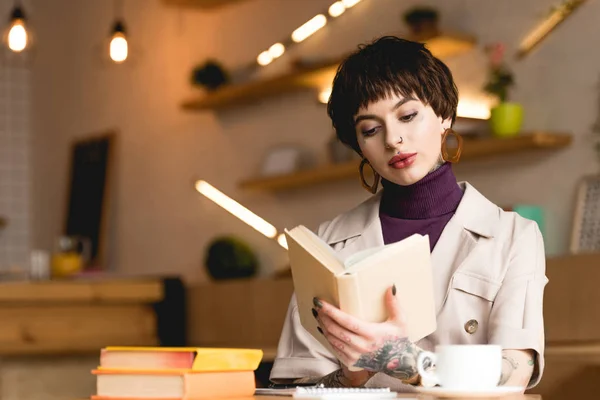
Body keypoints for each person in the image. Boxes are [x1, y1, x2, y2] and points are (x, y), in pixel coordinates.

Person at [269, 36, 548, 392]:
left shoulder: (514, 236)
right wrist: (350, 377)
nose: (393, 139)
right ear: (360, 147)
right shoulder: (329, 241)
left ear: (444, 114)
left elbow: (514, 376)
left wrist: (400, 360)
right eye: (370, 129)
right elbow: (296, 389)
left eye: (407, 116)